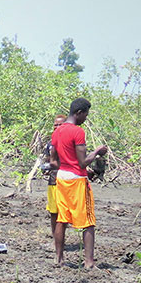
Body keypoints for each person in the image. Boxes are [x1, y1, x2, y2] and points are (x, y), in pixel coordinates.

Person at [49, 97, 108, 268]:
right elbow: (82, 162)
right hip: (76, 180)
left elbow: (55, 160)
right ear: (79, 113)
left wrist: (71, 166)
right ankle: (89, 262)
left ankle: (59, 259)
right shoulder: (77, 132)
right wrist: (97, 151)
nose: (85, 119)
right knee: (88, 222)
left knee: (62, 219)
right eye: (86, 115)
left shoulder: (57, 131)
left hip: (61, 177)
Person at [41, 115, 66, 237]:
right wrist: (45, 169)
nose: (57, 127)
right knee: (53, 212)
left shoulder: (69, 142)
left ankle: (61, 238)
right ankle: (56, 238)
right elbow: (47, 160)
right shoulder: (50, 144)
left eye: (60, 124)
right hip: (53, 181)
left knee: (64, 212)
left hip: (66, 181)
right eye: (55, 125)